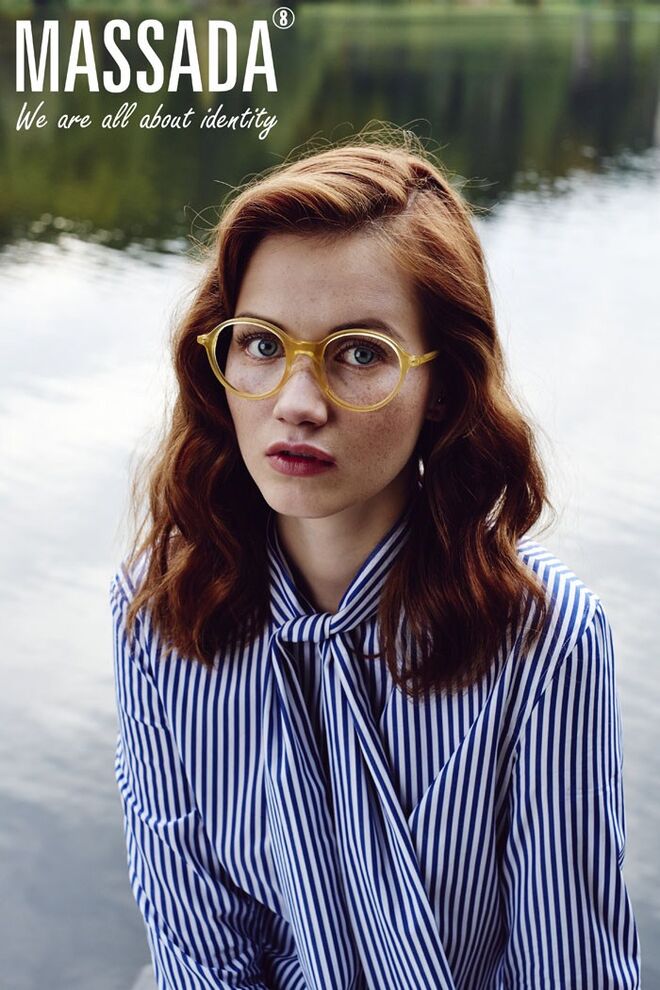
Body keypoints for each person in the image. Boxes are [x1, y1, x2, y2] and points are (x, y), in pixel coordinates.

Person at [111, 131, 641, 990]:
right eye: (262, 344)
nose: (297, 403)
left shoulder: (544, 642)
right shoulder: (161, 612)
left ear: (444, 388)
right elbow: (199, 954)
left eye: (360, 353)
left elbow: (566, 968)